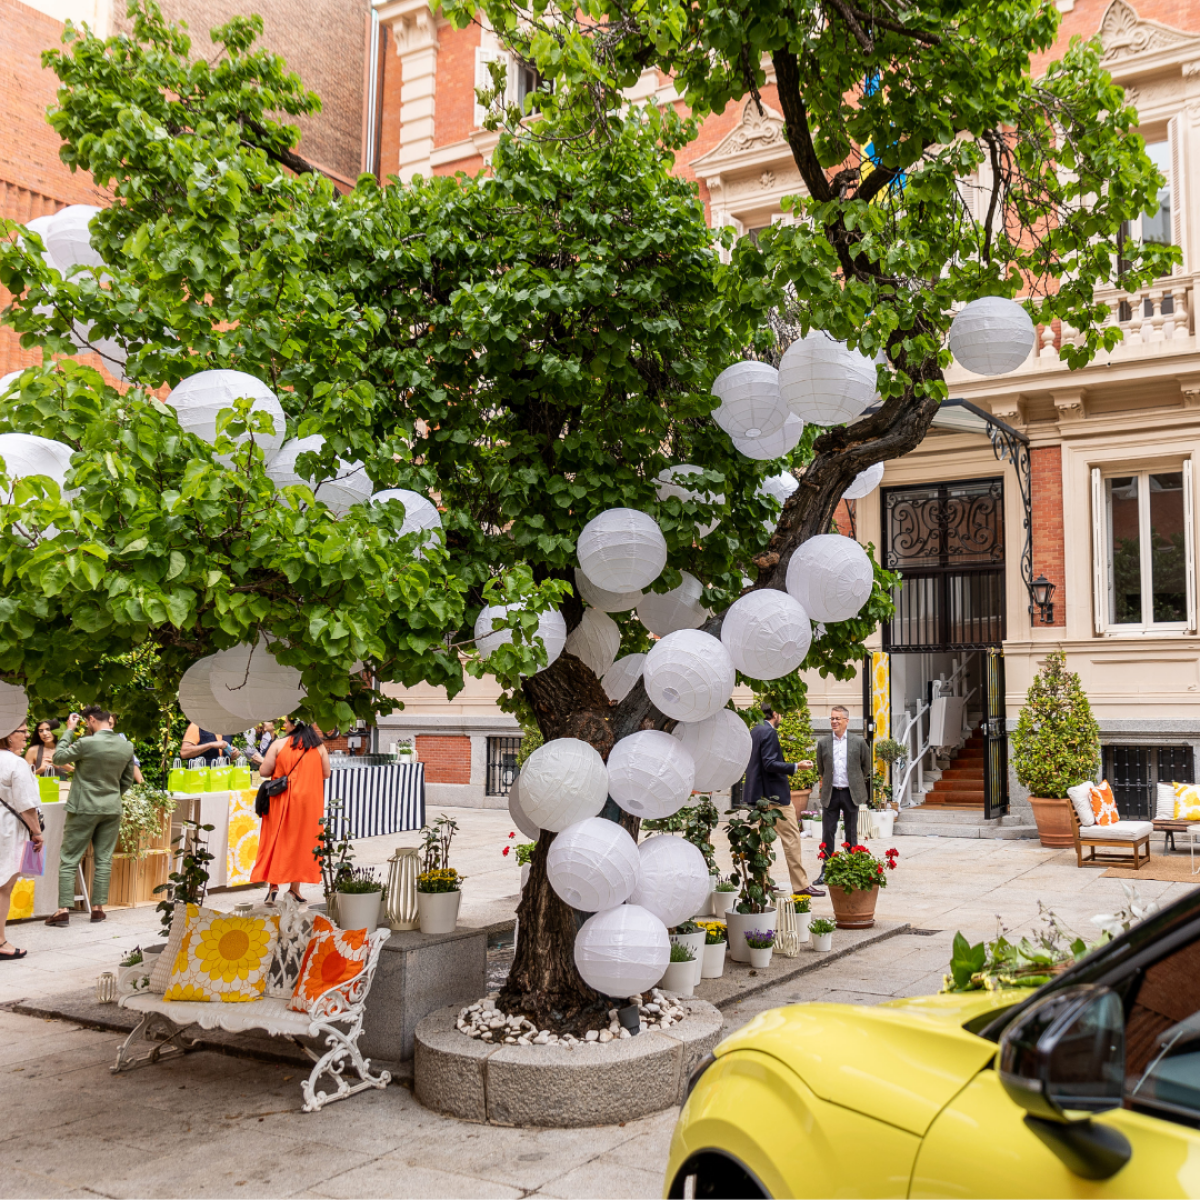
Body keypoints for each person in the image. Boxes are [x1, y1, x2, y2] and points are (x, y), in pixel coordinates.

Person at [45, 706, 137, 926]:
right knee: (103, 859)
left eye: (87, 723)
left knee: (69, 859)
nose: (86, 726)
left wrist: (69, 730)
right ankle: (97, 909)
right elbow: (127, 780)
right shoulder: (126, 746)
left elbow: (58, 757)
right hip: (111, 807)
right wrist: (113, 795)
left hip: (83, 807)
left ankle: (63, 910)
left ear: (92, 720)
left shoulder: (86, 743)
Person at [744, 705, 823, 898]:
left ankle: (762, 882)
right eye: (781, 714)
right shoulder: (769, 733)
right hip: (775, 798)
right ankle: (801, 885)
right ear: (775, 714)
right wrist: (797, 766)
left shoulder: (755, 730)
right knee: (792, 838)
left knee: (763, 840)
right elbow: (769, 763)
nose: (781, 719)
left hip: (759, 795)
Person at [250, 720, 331, 906]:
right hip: (309, 803)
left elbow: (264, 771)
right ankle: (295, 890)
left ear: (294, 724)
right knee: (302, 842)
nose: (284, 725)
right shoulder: (318, 747)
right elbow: (326, 773)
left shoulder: (279, 744)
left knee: (277, 840)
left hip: (281, 801)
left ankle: (273, 886)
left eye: (286, 722)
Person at [813, 704, 873, 886]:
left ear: (847, 721)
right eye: (832, 718)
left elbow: (866, 766)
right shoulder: (823, 743)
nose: (834, 722)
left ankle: (852, 869)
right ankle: (827, 870)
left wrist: (855, 781)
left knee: (851, 833)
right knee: (828, 833)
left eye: (838, 718)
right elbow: (821, 768)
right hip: (831, 793)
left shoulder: (858, 742)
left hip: (850, 793)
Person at [0, 720, 45, 959]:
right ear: (7, 735)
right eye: (23, 731)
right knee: (4, 886)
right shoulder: (15, 764)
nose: (28, 735)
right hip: (6, 830)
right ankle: (0, 941)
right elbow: (27, 806)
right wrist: (37, 833)